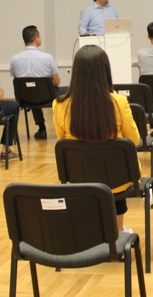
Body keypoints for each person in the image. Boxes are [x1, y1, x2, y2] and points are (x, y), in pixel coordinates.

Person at [53, 45, 140, 232]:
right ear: (105, 71)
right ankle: (118, 232)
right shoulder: (119, 102)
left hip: (79, 177)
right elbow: (134, 141)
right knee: (115, 172)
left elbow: (63, 143)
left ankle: (92, 232)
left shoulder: (59, 105)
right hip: (119, 178)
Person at [9, 25, 62, 140]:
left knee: (31, 91)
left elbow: (16, 79)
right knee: (64, 92)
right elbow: (57, 82)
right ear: (37, 39)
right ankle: (63, 127)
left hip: (25, 98)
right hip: (47, 97)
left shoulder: (14, 59)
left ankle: (42, 128)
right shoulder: (47, 58)